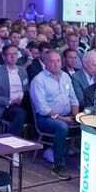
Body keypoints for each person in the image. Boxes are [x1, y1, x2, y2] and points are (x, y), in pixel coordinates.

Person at [30, 50, 79, 179]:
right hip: (45, 119)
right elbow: (43, 109)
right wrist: (64, 119)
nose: (56, 64)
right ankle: (58, 166)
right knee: (62, 127)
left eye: (58, 61)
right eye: (52, 61)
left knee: (85, 123)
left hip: (67, 116)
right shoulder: (38, 80)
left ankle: (81, 162)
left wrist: (75, 117)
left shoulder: (66, 76)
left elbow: (74, 99)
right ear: (45, 63)